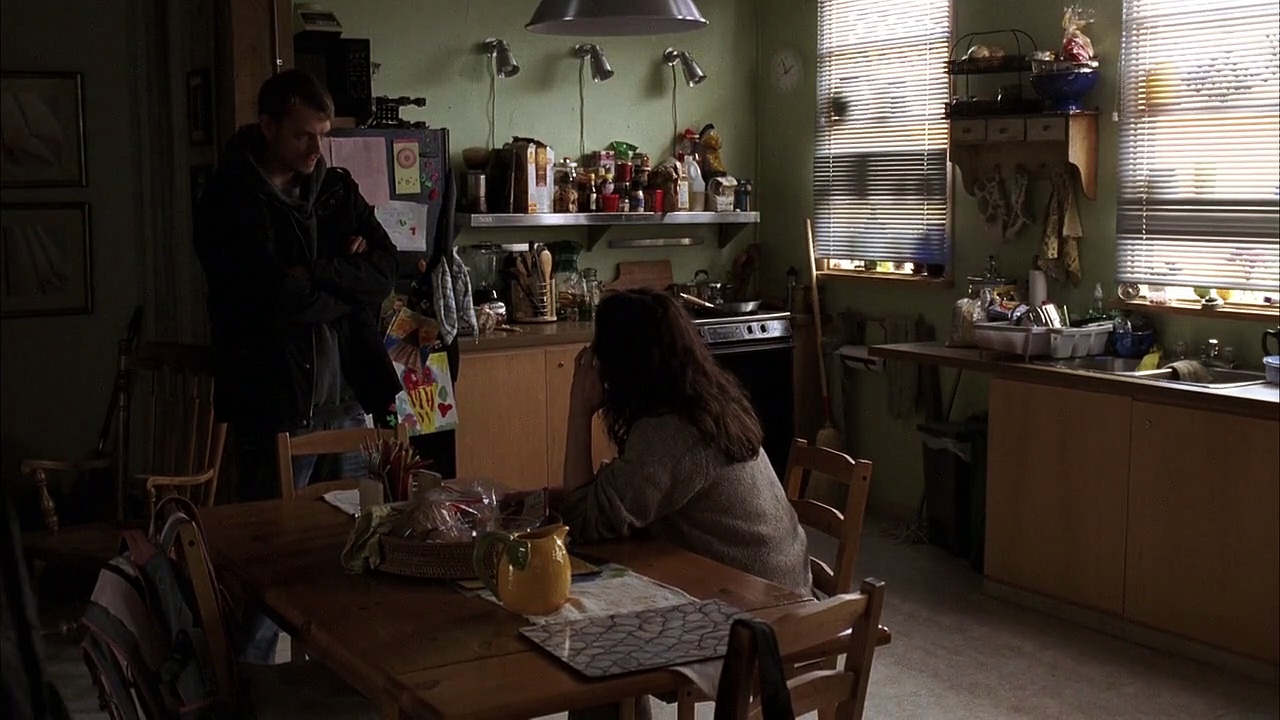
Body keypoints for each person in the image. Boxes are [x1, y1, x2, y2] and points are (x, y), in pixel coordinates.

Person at [194, 69, 402, 503]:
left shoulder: (336, 190)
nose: (316, 149)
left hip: (348, 397)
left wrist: (317, 272)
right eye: (303, 136)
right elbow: (277, 301)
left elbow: (385, 271)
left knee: (356, 525)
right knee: (275, 531)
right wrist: (350, 282)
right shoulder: (228, 200)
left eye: (322, 135)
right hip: (272, 405)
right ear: (268, 126)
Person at [559, 289, 811, 597]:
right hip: (789, 586)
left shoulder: (669, 433)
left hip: (763, 610)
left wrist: (578, 410)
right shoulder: (707, 404)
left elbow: (583, 521)